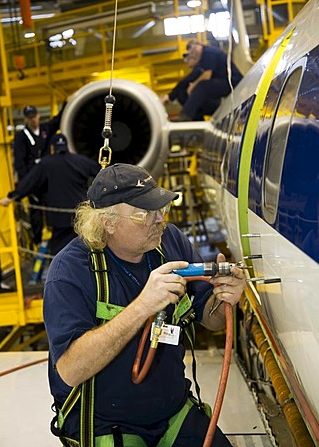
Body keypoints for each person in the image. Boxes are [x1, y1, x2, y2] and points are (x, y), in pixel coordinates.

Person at [43, 162, 245, 446]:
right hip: (106, 423)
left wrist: (224, 298)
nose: (159, 220)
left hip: (172, 412)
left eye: (161, 209)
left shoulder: (170, 241)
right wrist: (142, 307)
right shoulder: (70, 271)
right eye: (144, 215)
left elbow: (211, 320)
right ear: (107, 223)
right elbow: (70, 371)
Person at [0, 133, 100, 256]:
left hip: (58, 219)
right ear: (66, 146)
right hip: (81, 216)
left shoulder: (46, 163)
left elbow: (29, 183)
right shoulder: (81, 161)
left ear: (52, 148)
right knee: (84, 250)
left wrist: (11, 197)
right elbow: (102, 172)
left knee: (59, 255)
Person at [13, 103, 66, 244]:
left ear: (38, 115)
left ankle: (55, 236)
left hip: (48, 177)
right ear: (26, 119)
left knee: (52, 206)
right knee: (35, 211)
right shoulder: (21, 137)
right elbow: (19, 162)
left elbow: (57, 120)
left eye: (34, 117)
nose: (33, 120)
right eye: (29, 118)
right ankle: (37, 240)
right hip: (33, 178)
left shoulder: (45, 129)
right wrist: (26, 184)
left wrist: (67, 103)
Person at [171, 42, 243, 122]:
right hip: (226, 82)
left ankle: (186, 115)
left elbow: (207, 75)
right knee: (199, 90)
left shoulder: (208, 53)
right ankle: (207, 114)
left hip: (233, 82)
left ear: (199, 46)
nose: (192, 54)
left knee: (203, 87)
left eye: (192, 51)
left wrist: (193, 86)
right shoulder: (204, 58)